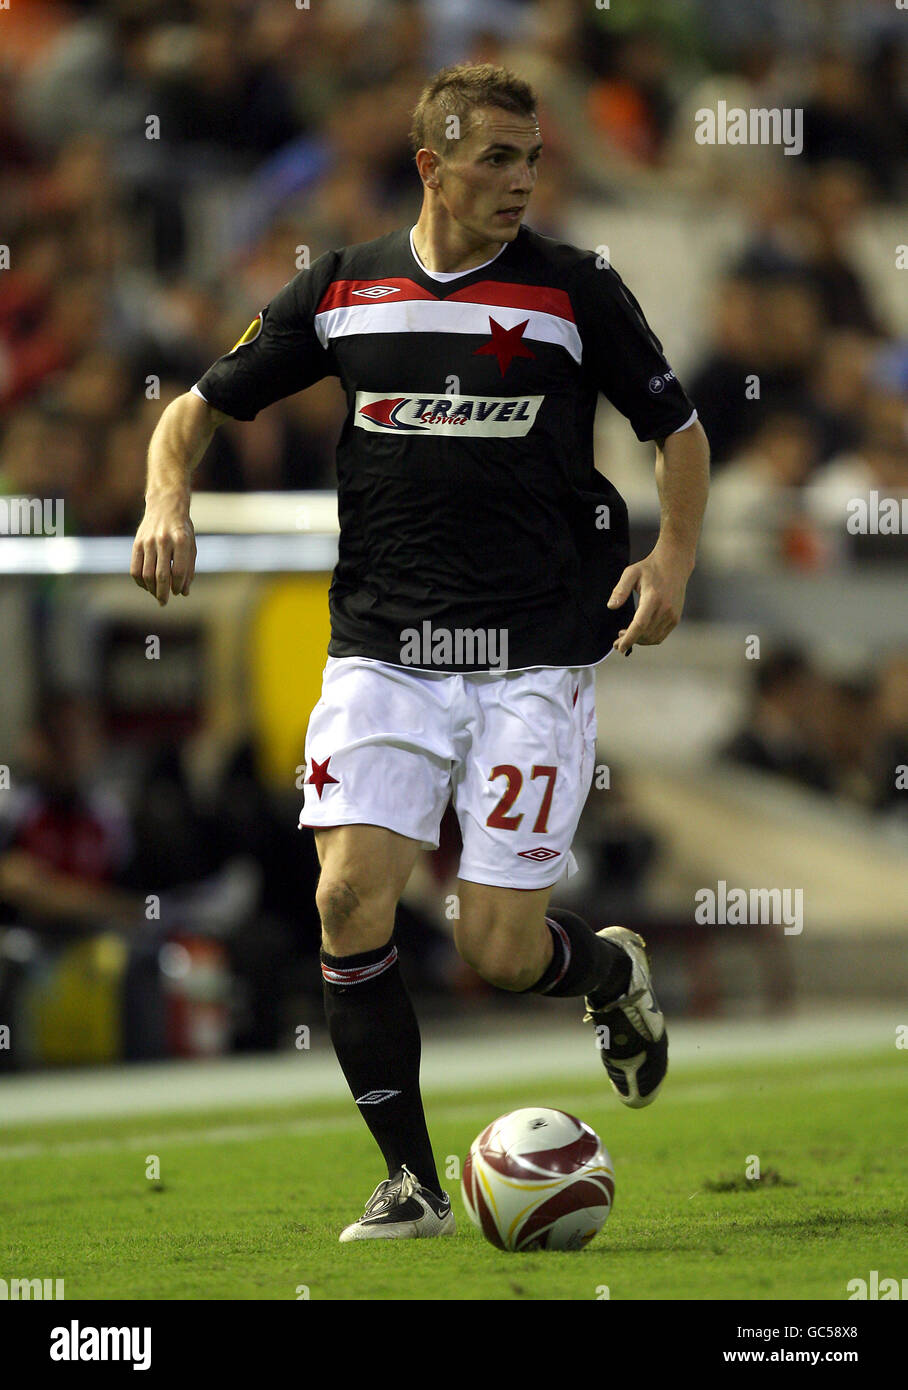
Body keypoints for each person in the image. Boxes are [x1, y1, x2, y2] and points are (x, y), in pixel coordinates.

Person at [130, 63, 710, 1242]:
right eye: (494, 159)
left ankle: (604, 975)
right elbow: (193, 407)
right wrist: (164, 498)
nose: (518, 181)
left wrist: (672, 562)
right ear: (430, 165)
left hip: (533, 651)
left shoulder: (572, 289)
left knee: (495, 950)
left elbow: (678, 431)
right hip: (384, 649)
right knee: (347, 895)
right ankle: (408, 1181)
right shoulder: (342, 289)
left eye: (531, 159)